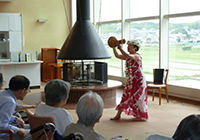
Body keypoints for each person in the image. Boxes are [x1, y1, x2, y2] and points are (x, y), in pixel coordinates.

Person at [110, 39, 148, 121]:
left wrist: (119, 47)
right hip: (131, 80)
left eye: (130, 46)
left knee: (138, 98)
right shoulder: (127, 56)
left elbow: (129, 56)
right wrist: (114, 47)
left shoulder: (138, 56)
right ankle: (118, 114)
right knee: (125, 96)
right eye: (128, 46)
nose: (128, 47)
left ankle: (140, 115)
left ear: (135, 48)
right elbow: (118, 56)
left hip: (139, 80)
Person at [0, 75, 32, 140]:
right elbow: (1, 125)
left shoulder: (2, 93)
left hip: (5, 128)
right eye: (28, 90)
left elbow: (1, 115)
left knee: (33, 127)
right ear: (22, 90)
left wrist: (15, 119)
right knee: (38, 133)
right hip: (3, 134)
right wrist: (18, 130)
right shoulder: (10, 102)